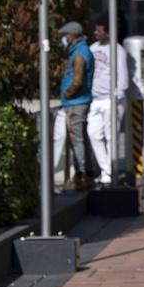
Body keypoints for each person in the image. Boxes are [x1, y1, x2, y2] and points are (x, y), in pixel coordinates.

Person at [52, 21, 94, 191]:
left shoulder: (79, 55)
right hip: (79, 101)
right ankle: (87, 174)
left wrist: (67, 94)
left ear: (72, 36)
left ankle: (81, 176)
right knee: (80, 138)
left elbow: (77, 80)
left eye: (65, 35)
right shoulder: (81, 51)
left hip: (76, 103)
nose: (64, 39)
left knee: (76, 140)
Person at [87, 24, 129, 186]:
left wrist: (116, 97)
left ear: (109, 33)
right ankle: (106, 168)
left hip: (111, 100)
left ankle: (109, 172)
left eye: (99, 30)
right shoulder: (92, 48)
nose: (95, 32)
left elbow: (123, 77)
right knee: (93, 133)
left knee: (111, 136)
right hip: (95, 99)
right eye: (95, 29)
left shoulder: (118, 51)